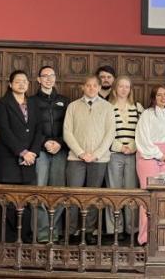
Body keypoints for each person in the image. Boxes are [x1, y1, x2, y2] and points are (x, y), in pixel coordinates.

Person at [63, 75, 116, 244]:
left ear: (99, 88)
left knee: (93, 196)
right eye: (88, 85)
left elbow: (110, 134)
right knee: (73, 195)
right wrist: (80, 153)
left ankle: (88, 231)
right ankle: (71, 231)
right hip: (76, 158)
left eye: (95, 86)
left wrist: (96, 154)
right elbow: (67, 132)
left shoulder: (107, 107)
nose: (91, 88)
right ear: (83, 87)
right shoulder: (73, 106)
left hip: (99, 159)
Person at [0, 70, 43, 242]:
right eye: (17, 81)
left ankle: (26, 239)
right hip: (9, 159)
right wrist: (22, 152)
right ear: (10, 84)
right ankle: (9, 241)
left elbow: (39, 130)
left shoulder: (33, 104)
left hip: (29, 159)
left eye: (24, 81)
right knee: (8, 202)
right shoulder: (2, 103)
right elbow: (5, 132)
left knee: (27, 200)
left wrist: (33, 153)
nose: (22, 84)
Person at [28, 65, 69, 243]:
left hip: (60, 150)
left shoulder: (64, 100)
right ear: (38, 79)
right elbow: (30, 128)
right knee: (39, 191)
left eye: (51, 75)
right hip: (41, 150)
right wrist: (44, 141)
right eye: (44, 76)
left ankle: (55, 230)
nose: (48, 79)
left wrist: (59, 142)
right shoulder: (31, 101)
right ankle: (43, 233)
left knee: (58, 191)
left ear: (55, 78)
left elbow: (70, 126)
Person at [135, 84, 165, 245]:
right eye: (159, 95)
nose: (163, 98)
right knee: (148, 197)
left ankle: (161, 235)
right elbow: (143, 139)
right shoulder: (146, 115)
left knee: (164, 197)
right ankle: (146, 237)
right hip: (149, 156)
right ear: (154, 97)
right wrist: (160, 155)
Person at [105, 76, 143, 240]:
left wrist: (133, 146)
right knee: (114, 191)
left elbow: (142, 130)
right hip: (114, 153)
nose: (124, 89)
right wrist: (120, 146)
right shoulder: (107, 107)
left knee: (131, 192)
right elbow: (104, 131)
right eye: (121, 86)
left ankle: (131, 228)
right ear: (115, 89)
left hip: (133, 154)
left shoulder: (137, 107)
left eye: (127, 87)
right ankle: (115, 229)